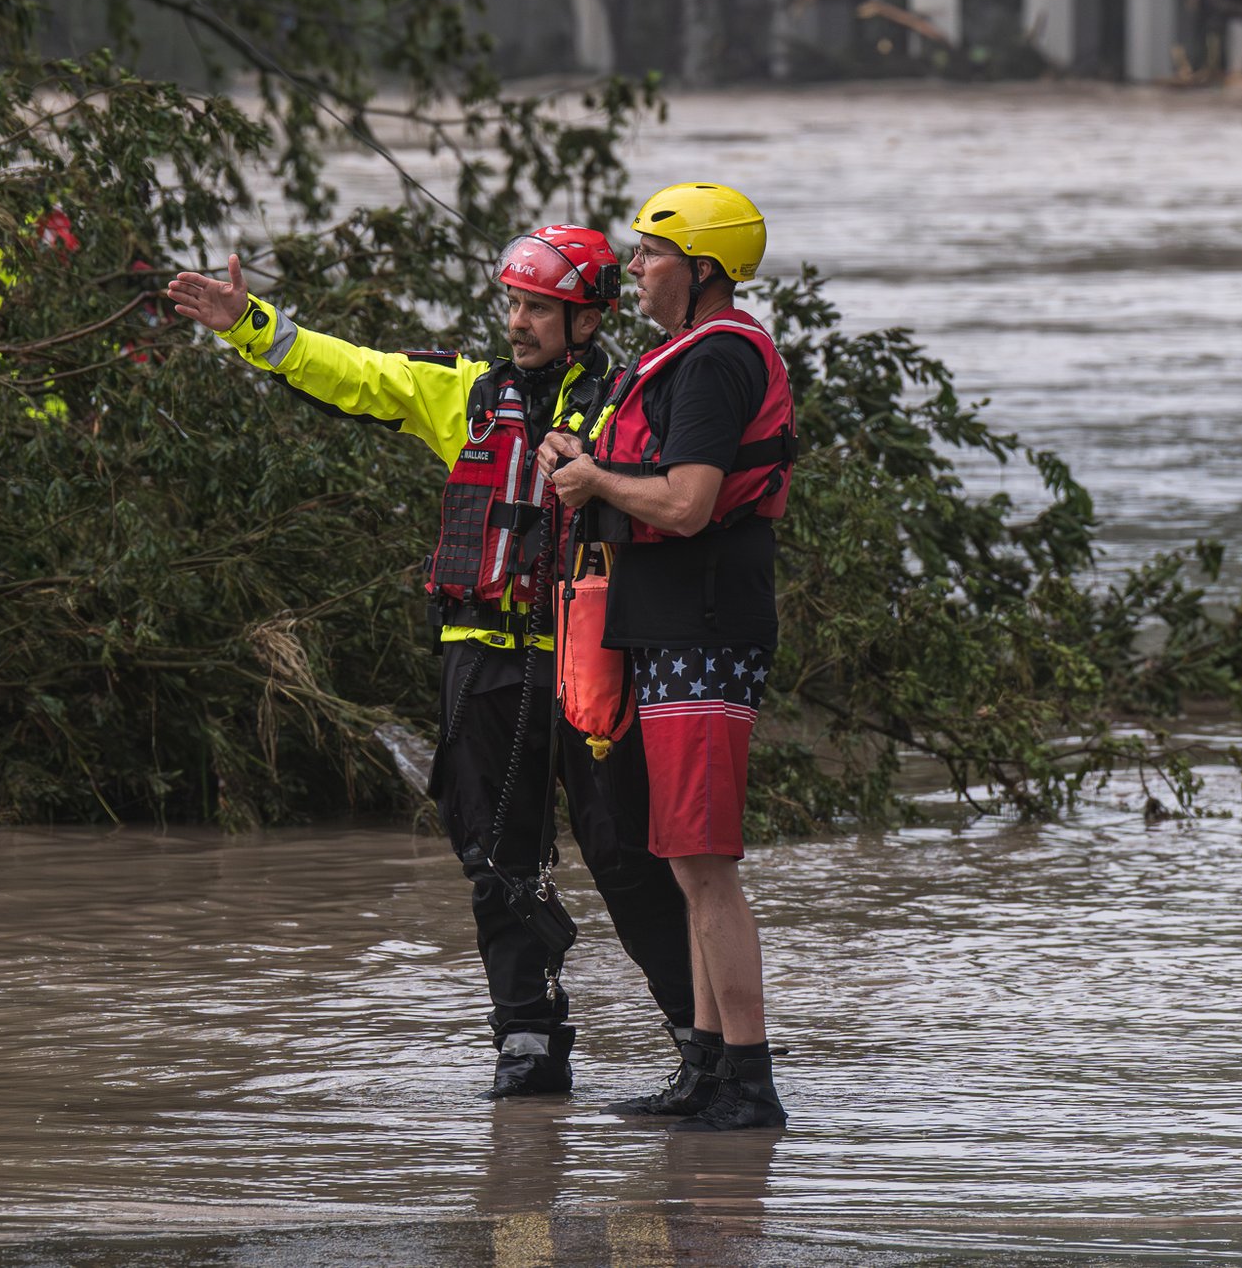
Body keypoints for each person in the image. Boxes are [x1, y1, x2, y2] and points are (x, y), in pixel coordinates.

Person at [165, 227, 694, 1098]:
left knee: (623, 855)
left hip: (591, 659)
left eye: (538, 308)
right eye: (514, 304)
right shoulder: (468, 393)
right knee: (494, 857)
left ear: (587, 319)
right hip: (481, 655)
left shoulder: (630, 400)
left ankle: (697, 1038)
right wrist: (249, 323)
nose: (518, 322)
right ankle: (527, 1037)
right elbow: (350, 370)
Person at [541, 182, 797, 1132]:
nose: (635, 271)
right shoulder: (687, 358)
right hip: (674, 630)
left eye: (649, 256)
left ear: (700, 272)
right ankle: (705, 1069)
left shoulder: (718, 359)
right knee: (682, 855)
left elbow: (688, 502)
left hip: (705, 631)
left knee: (703, 861)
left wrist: (597, 475)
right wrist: (592, 461)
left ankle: (749, 1079)